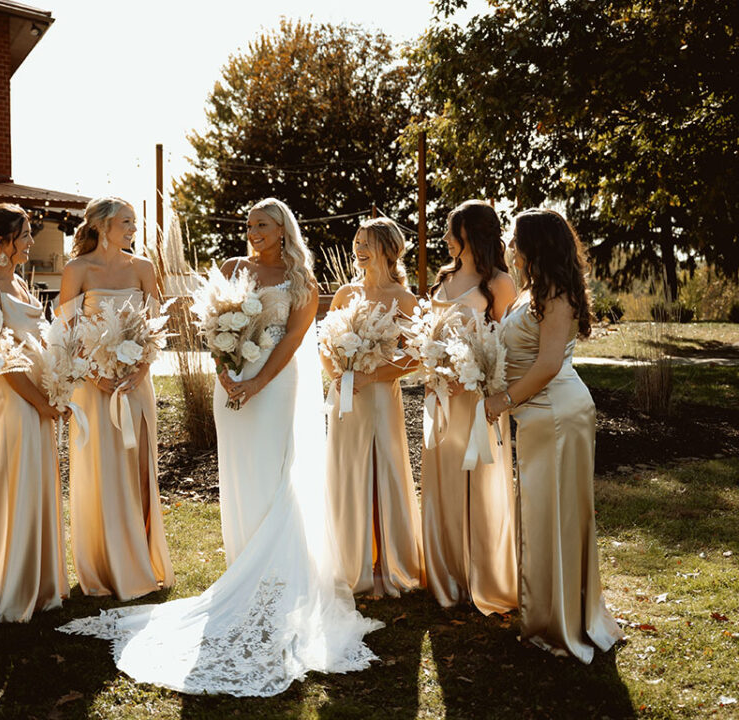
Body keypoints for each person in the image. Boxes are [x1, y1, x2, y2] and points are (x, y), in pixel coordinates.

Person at [58, 198, 382, 697]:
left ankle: (278, 580)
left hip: (275, 384)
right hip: (231, 381)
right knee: (239, 471)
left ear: (283, 230)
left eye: (264, 224)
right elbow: (215, 326)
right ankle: (243, 567)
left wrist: (256, 383)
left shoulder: (305, 283)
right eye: (249, 223)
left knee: (277, 471)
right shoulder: (231, 268)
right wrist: (225, 372)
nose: (253, 231)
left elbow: (294, 341)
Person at [484, 209, 623, 662]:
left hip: (559, 413)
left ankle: (565, 620)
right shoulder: (530, 291)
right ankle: (542, 610)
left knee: (558, 513)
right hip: (537, 416)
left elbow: (546, 365)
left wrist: (502, 401)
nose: (509, 242)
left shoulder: (558, 295)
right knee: (540, 513)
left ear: (534, 244)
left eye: (515, 237)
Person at [59, 196, 174, 600]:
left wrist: (141, 369)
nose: (132, 229)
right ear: (102, 225)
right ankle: (105, 564)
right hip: (93, 388)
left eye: (134, 223)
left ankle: (141, 558)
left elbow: (156, 324)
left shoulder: (143, 268)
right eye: (126, 222)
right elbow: (66, 333)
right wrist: (93, 374)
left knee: (137, 466)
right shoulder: (77, 270)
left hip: (136, 383)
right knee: (102, 470)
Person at [0, 203, 68, 627]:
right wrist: (41, 402)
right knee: (19, 481)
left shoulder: (19, 283)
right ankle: (14, 585)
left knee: (40, 481)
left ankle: (41, 583)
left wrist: (57, 379)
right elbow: (1, 361)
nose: (29, 242)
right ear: (1, 242)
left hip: (40, 396)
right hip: (17, 401)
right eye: (24, 235)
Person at [421, 200, 518, 614]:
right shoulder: (444, 276)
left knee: (479, 481)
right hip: (440, 393)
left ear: (470, 236)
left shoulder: (499, 283)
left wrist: (474, 377)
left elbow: (504, 347)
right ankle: (446, 574)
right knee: (441, 479)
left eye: (451, 232)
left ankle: (484, 576)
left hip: (476, 399)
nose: (444, 239)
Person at [323, 217, 424, 595]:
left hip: (380, 396)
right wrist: (340, 373)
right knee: (347, 470)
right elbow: (324, 344)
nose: (359, 248)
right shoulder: (345, 294)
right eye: (357, 241)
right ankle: (351, 559)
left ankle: (388, 562)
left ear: (388, 249)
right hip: (345, 397)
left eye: (367, 242)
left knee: (384, 468)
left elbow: (414, 358)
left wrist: (371, 376)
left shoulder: (404, 300)